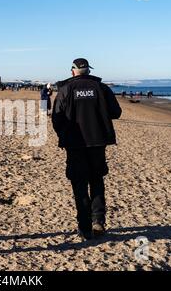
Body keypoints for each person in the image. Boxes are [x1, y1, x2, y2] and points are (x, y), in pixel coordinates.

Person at [52, 58, 122, 241]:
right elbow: (116, 112)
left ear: (73, 71)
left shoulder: (65, 89)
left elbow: (56, 119)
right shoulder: (101, 88)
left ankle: (85, 227)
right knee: (96, 181)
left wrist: (65, 135)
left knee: (79, 185)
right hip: (97, 142)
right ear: (88, 71)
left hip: (75, 144)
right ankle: (98, 221)